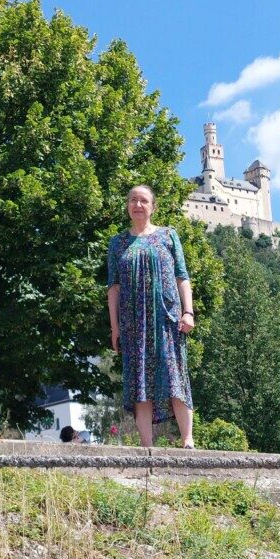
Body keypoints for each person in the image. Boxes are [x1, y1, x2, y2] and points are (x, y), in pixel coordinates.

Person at [107, 185, 195, 448]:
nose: (137, 204)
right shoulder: (117, 243)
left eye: (143, 200)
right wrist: (115, 328)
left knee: (175, 377)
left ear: (153, 207)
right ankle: (147, 447)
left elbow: (182, 277)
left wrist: (188, 311)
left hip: (167, 319)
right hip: (133, 323)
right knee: (139, 383)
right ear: (127, 206)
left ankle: (188, 440)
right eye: (132, 200)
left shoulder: (168, 235)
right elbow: (113, 288)